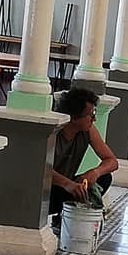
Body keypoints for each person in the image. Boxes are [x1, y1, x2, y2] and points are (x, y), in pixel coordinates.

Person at [50, 87, 118, 223]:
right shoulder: (53, 133)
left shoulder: (88, 130)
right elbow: (41, 169)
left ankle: (72, 216)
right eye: (91, 115)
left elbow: (112, 161)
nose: (94, 119)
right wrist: (68, 184)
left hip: (69, 185)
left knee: (105, 178)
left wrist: (95, 173)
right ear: (75, 117)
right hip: (49, 189)